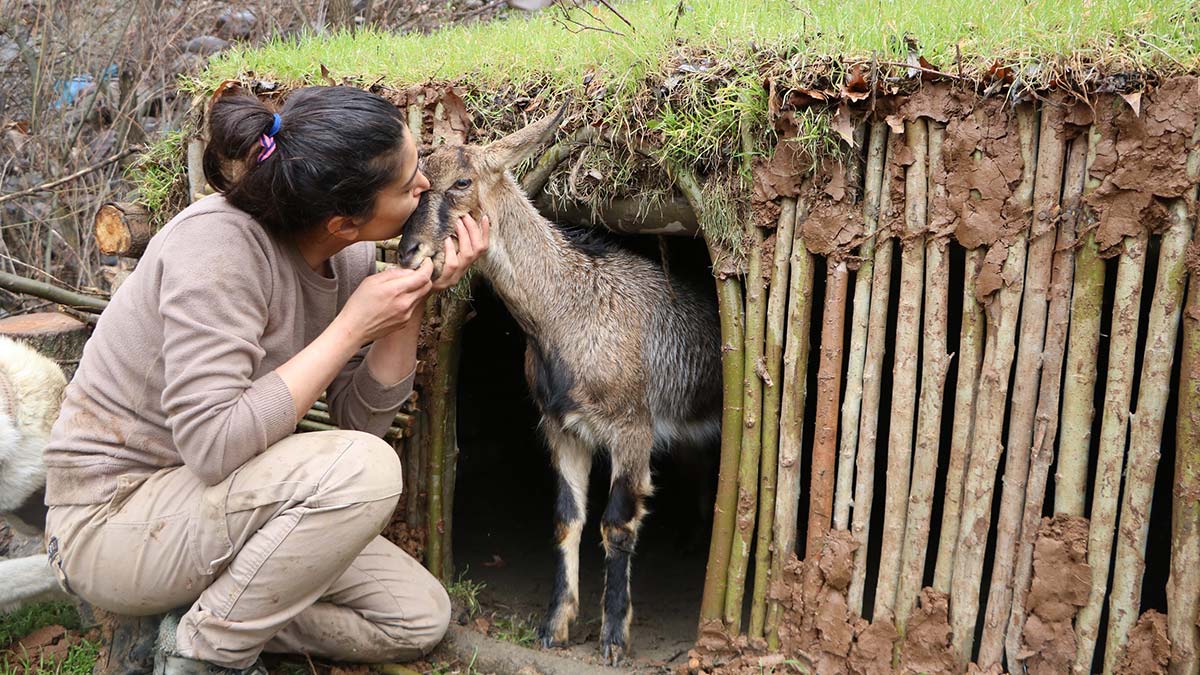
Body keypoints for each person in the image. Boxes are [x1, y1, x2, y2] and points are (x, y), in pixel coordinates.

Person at [41, 85, 488, 674]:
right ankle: (204, 656)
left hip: (222, 510)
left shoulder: (347, 255)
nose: (426, 188)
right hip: (113, 521)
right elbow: (213, 447)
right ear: (343, 220)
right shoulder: (217, 250)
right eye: (409, 186)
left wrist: (416, 291)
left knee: (415, 617)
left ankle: (187, 616)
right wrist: (350, 328)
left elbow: (359, 423)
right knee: (366, 471)